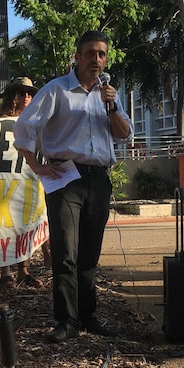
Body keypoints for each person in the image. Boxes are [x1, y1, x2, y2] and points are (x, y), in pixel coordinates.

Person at [13, 31, 133, 343]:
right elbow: (24, 127)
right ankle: (66, 320)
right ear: (77, 57)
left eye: (102, 54)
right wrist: (37, 166)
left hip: (99, 178)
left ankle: (88, 315)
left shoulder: (109, 95)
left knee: (90, 253)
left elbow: (124, 134)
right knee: (66, 250)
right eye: (91, 53)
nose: (97, 59)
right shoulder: (57, 90)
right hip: (66, 177)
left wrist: (113, 107)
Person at [0, 78, 44, 287]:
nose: (27, 96)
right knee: (4, 227)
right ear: (13, 97)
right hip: (5, 182)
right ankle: (5, 272)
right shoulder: (0, 124)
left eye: (30, 92)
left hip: (28, 181)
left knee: (25, 226)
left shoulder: (36, 121)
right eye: (22, 92)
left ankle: (23, 270)